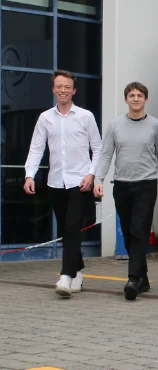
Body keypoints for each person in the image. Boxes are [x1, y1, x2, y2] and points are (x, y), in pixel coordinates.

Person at [24, 70, 103, 298]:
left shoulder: (86, 116)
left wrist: (91, 175)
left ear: (74, 90)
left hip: (80, 182)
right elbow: (36, 148)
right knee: (67, 230)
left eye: (67, 87)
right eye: (59, 86)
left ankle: (66, 276)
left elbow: (97, 148)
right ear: (53, 89)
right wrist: (29, 175)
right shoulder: (45, 118)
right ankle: (77, 271)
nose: (63, 90)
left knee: (71, 228)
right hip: (55, 183)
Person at [93, 82, 158, 300]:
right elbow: (106, 154)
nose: (136, 98)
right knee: (129, 233)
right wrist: (99, 179)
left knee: (139, 230)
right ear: (126, 99)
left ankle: (133, 279)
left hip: (146, 184)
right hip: (121, 185)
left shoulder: (155, 125)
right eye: (132, 95)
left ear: (145, 99)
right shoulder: (114, 125)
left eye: (139, 95)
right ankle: (143, 278)